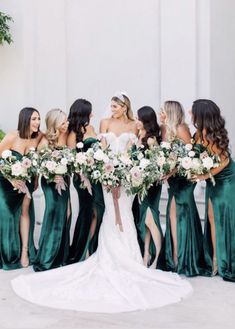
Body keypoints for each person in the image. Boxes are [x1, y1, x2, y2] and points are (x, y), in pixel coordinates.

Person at [11, 93, 192, 313]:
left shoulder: (135, 125)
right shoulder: (104, 123)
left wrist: (130, 170)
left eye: (115, 105)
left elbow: (137, 150)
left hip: (127, 176)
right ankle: (107, 254)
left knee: (125, 212)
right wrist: (105, 171)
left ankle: (132, 256)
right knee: (106, 212)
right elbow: (101, 149)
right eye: (111, 105)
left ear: (124, 107)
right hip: (105, 175)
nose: (111, 108)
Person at [160, 100, 207, 276]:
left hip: (183, 179)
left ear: (170, 112)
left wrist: (173, 170)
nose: (161, 114)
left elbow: (190, 155)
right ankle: (175, 255)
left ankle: (183, 257)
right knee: (172, 213)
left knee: (180, 212)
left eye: (163, 111)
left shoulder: (181, 129)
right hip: (173, 180)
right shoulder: (165, 129)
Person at [190, 99, 235, 281]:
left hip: (225, 179)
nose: (189, 111)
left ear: (201, 114)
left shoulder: (212, 135)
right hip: (212, 179)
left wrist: (203, 176)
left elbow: (224, 161)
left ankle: (223, 261)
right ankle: (214, 259)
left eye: (192, 110)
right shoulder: (198, 133)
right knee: (210, 217)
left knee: (222, 218)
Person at [0, 107, 42, 269]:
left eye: (38, 118)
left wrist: (37, 178)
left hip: (27, 181)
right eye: (33, 119)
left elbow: (39, 159)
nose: (37, 122)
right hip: (6, 181)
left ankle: (25, 252)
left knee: (25, 213)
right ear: (25, 120)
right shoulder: (12, 136)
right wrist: (11, 178)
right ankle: (8, 254)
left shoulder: (37, 138)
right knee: (7, 215)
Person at [67, 99, 105, 263]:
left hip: (96, 177)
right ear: (82, 113)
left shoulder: (91, 128)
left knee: (98, 210)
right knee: (87, 211)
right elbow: (70, 159)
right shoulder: (72, 133)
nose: (92, 114)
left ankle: (92, 246)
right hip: (81, 179)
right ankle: (82, 251)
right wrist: (83, 173)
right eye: (89, 111)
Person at [33, 109, 71, 271]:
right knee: (53, 214)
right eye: (63, 122)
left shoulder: (68, 135)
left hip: (65, 180)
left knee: (66, 213)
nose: (66, 124)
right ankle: (47, 258)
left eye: (66, 121)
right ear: (54, 124)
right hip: (50, 182)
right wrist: (51, 175)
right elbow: (39, 165)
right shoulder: (45, 140)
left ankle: (61, 256)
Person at [132, 106, 163, 269]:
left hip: (150, 186)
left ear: (145, 120)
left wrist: (147, 177)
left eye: (138, 118)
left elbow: (159, 164)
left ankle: (158, 256)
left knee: (150, 220)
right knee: (144, 222)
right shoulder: (138, 136)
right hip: (139, 185)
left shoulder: (151, 140)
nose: (136, 121)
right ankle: (146, 254)